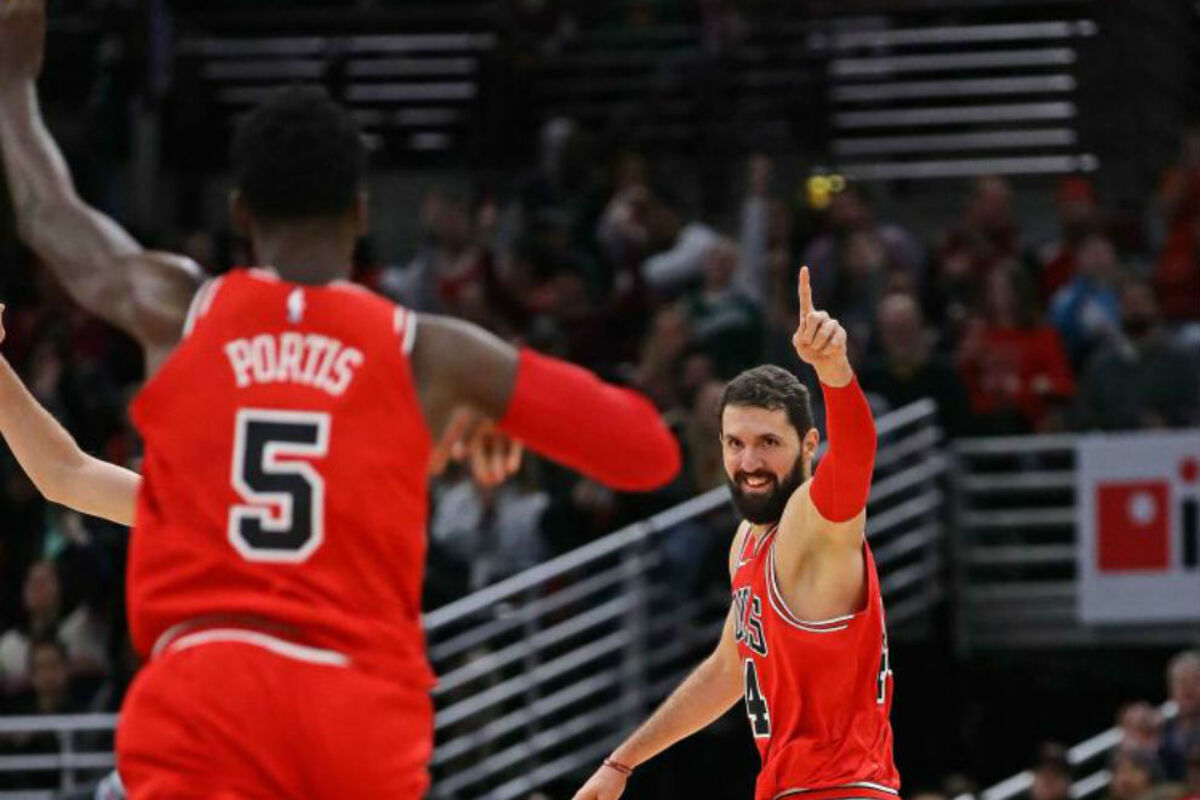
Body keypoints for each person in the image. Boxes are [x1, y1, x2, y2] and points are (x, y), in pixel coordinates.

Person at [0, 5, 681, 799]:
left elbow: (50, 216)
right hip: (354, 711)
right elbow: (648, 455)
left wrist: (11, 76)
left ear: (240, 213)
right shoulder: (427, 352)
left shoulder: (184, 317)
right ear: (361, 212)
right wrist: (501, 405)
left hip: (206, 696)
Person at [573, 267, 897, 800]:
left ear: (808, 445)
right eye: (735, 443)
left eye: (768, 442)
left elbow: (856, 458)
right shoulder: (747, 540)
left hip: (843, 787)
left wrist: (834, 370)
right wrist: (621, 763)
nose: (749, 462)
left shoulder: (813, 524)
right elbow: (728, 668)